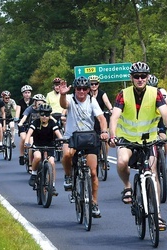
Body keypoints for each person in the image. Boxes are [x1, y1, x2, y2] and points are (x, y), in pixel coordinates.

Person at [108, 61, 167, 231]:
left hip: (149, 141)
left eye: (143, 76)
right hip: (127, 139)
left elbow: (165, 114)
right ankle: (127, 187)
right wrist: (113, 136)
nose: (140, 79)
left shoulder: (156, 93)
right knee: (121, 162)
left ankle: (159, 216)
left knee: (153, 174)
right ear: (131, 78)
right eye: (136, 76)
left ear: (148, 77)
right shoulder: (123, 94)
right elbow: (114, 117)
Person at [59, 76, 109, 218]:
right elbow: (64, 105)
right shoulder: (70, 98)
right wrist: (62, 94)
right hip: (71, 136)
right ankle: (69, 177)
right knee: (67, 155)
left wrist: (104, 131)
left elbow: (101, 118)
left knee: (93, 173)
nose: (81, 91)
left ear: (88, 90)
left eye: (84, 89)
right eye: (78, 88)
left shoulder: (92, 101)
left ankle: (94, 203)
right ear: (75, 89)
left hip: (89, 137)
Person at [25, 103, 63, 196]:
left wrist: (62, 142)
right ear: (39, 115)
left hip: (50, 146)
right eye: (42, 114)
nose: (44, 117)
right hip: (38, 145)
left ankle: (52, 185)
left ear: (49, 115)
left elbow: (58, 133)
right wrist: (27, 142)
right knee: (37, 157)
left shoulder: (52, 123)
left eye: (47, 114)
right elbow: (29, 133)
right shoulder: (36, 122)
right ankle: (34, 174)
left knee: (52, 162)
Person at [147, 74, 167, 156]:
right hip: (147, 120)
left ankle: (163, 163)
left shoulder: (162, 92)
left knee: (164, 139)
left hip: (159, 118)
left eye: (154, 87)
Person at [88, 75, 113, 169]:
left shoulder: (102, 94)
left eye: (96, 83)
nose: (94, 85)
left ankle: (104, 157)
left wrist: (111, 110)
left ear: (98, 84)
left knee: (106, 139)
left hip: (101, 119)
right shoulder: (86, 94)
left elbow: (107, 103)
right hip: (90, 120)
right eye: (91, 84)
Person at [15, 85, 34, 165]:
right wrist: (16, 118)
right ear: (23, 94)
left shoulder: (34, 101)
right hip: (22, 123)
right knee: (23, 138)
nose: (27, 94)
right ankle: (21, 155)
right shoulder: (20, 102)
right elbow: (18, 111)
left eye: (29, 92)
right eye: (25, 93)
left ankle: (30, 162)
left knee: (31, 141)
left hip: (32, 123)